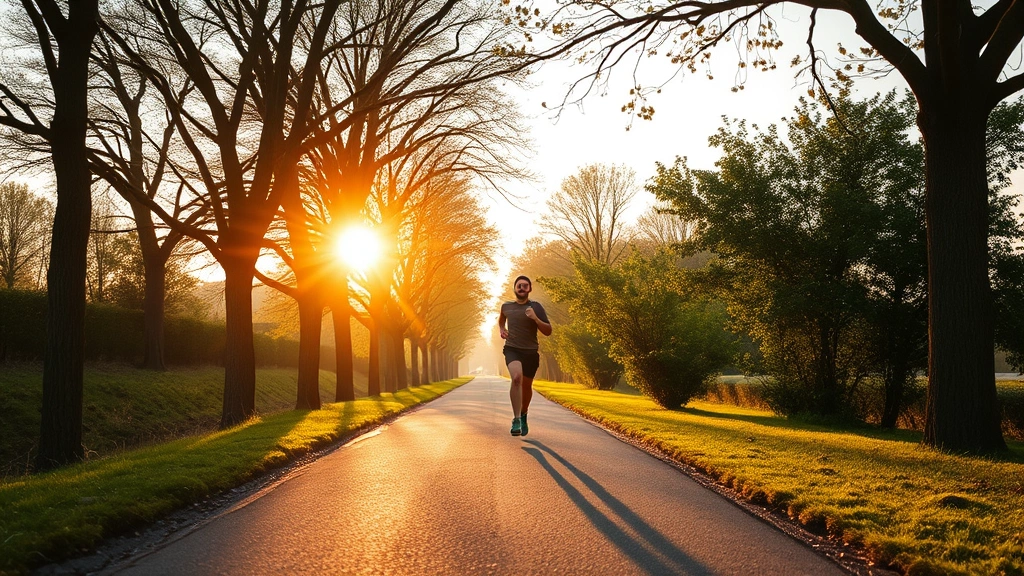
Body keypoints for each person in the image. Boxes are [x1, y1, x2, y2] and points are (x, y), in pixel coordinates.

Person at [498, 275, 552, 436]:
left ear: (530, 289)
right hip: (512, 349)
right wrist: (502, 329)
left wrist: (535, 318)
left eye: (525, 285)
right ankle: (515, 419)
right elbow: (501, 320)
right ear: (515, 288)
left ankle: (523, 414)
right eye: (519, 285)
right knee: (516, 378)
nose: (522, 288)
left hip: (530, 352)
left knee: (526, 386)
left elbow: (548, 331)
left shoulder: (536, 306)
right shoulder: (506, 307)